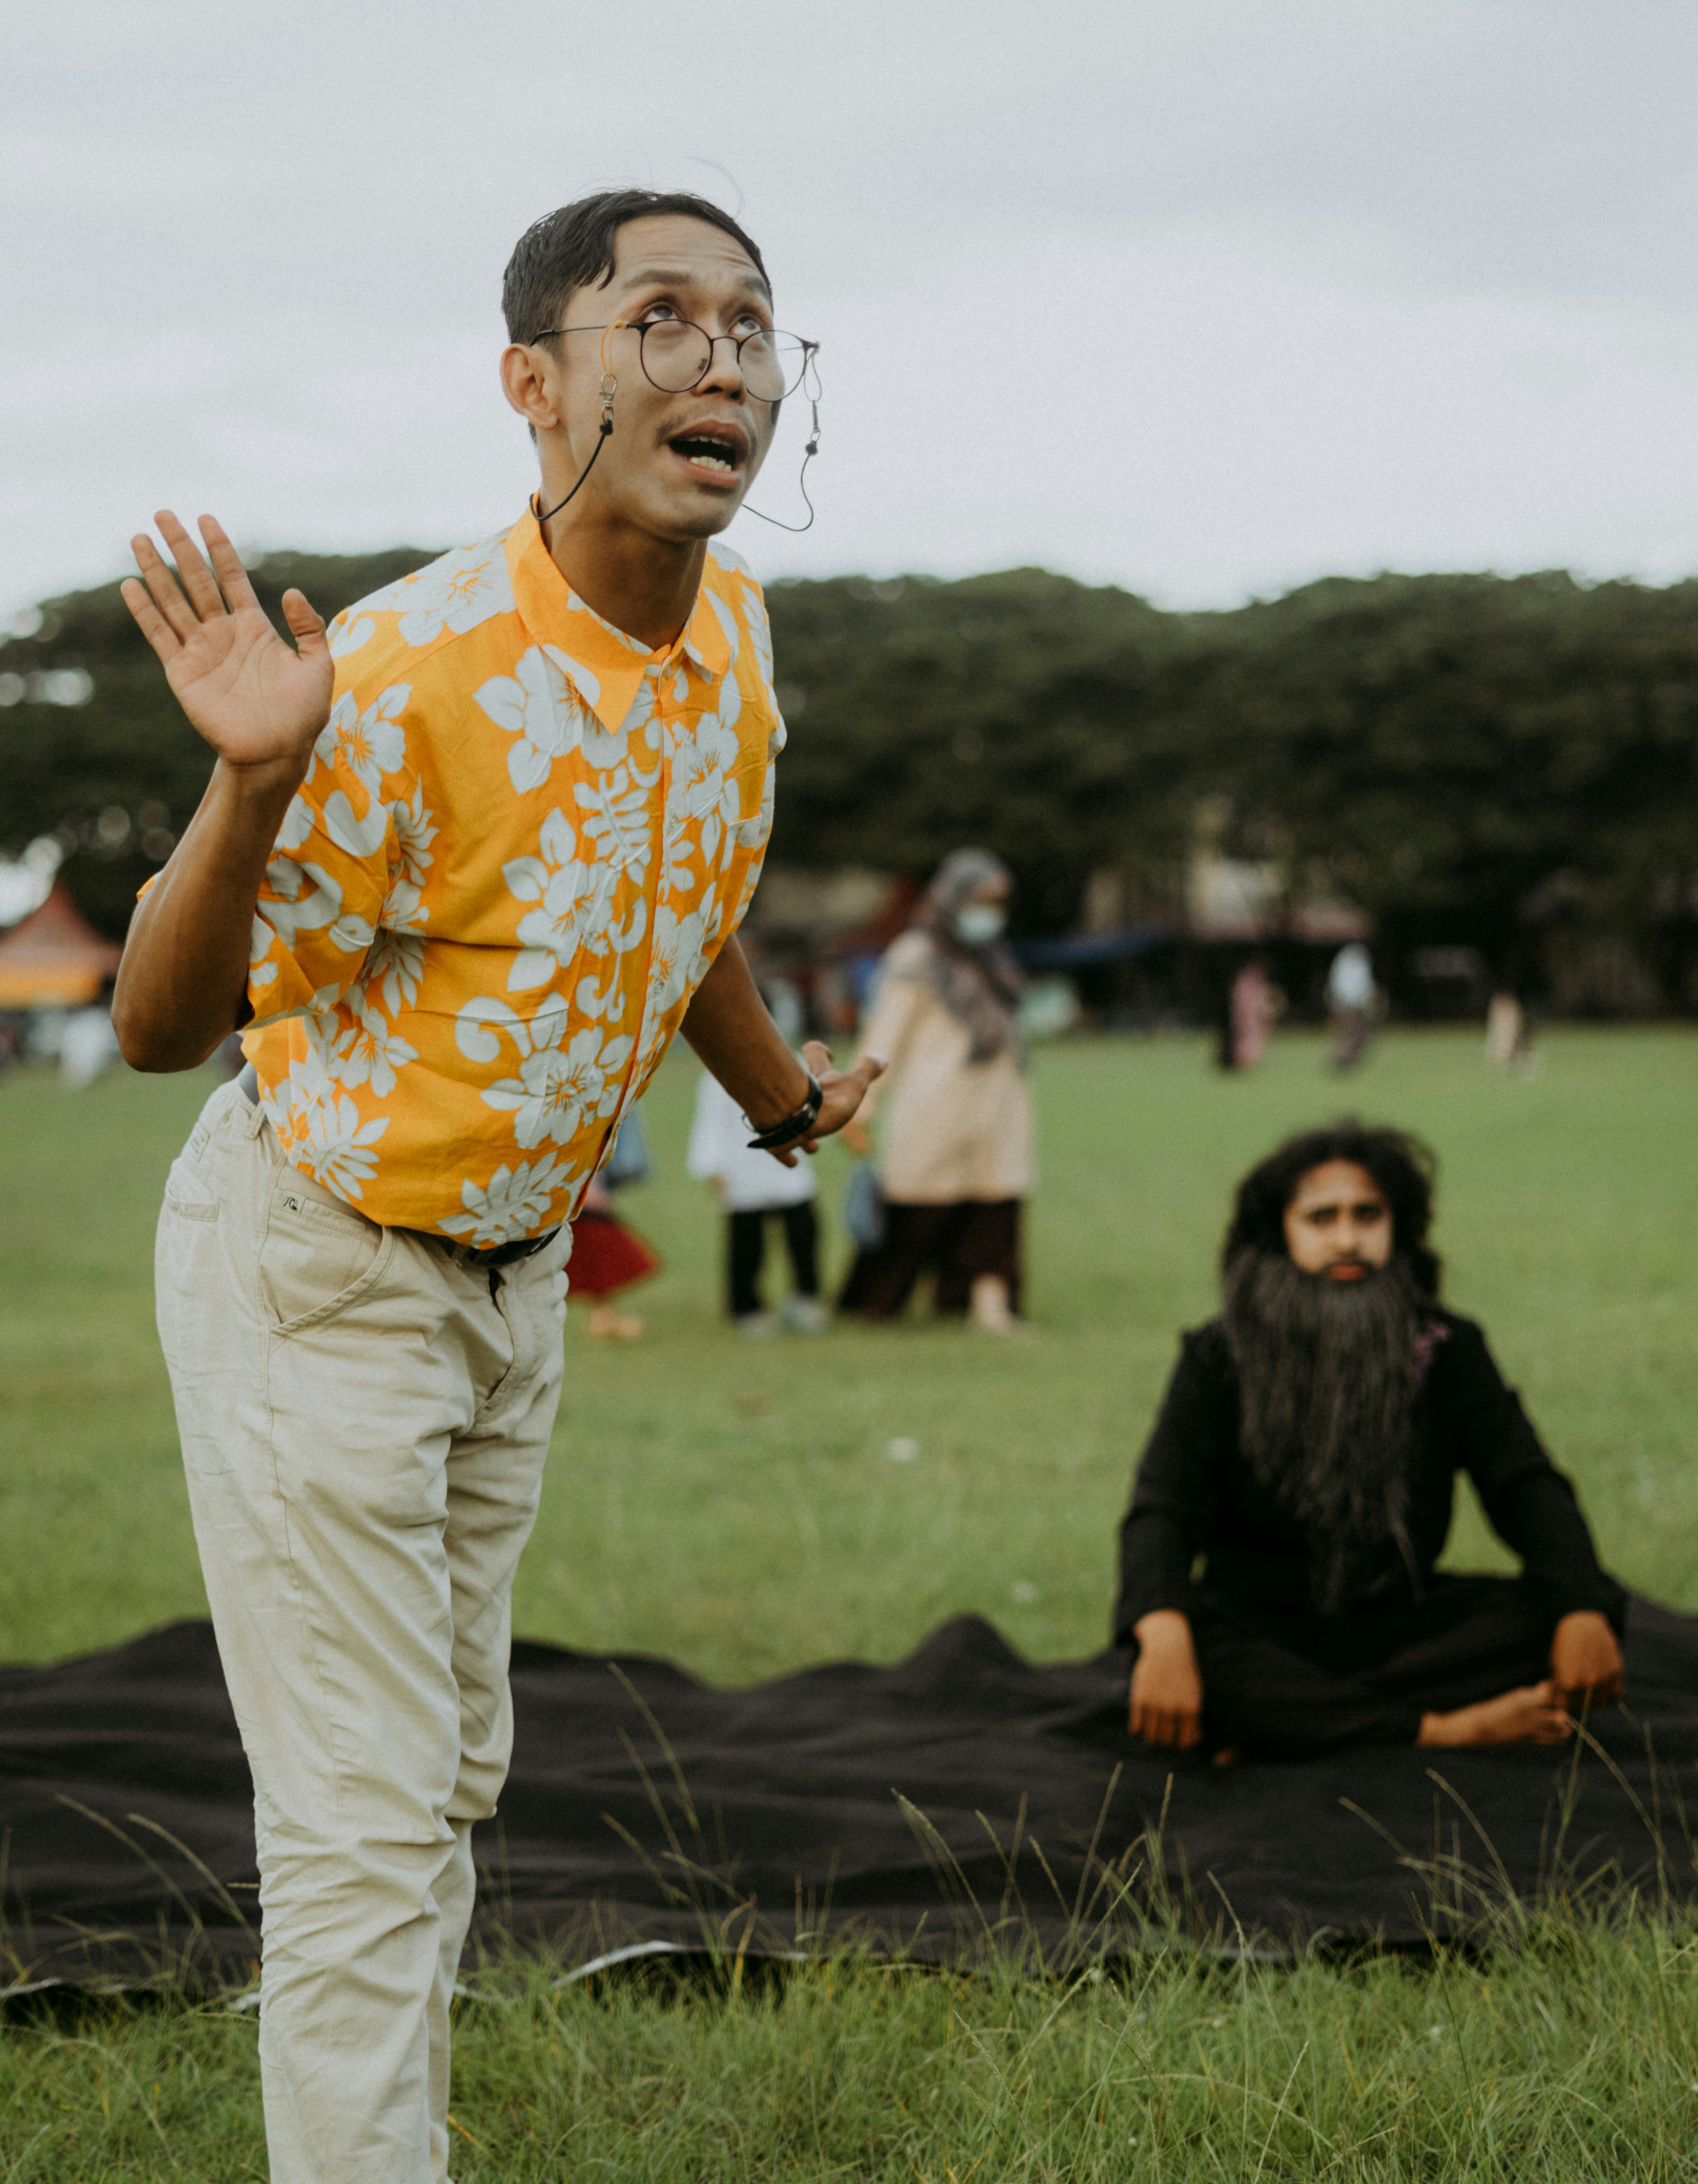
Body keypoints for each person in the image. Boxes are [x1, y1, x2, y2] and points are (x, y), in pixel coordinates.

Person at [111, 189, 881, 2184]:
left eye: (752, 323)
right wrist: (251, 780)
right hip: (320, 1260)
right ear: (535, 385)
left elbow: (683, 890)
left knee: (444, 1769)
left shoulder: (731, 633)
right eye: (663, 318)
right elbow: (149, 1018)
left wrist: (781, 1095)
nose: (722, 359)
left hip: (510, 1275)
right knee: (365, 1807)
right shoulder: (397, 674)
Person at [1118, 1122, 1625, 1760]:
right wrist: (1163, 1633)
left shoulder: (1447, 1348)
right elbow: (1161, 1505)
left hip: (1401, 1625)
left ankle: (1297, 1722)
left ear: (1398, 1226)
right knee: (1182, 1642)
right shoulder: (1219, 1355)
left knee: (1551, 1613)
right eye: (1321, 1217)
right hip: (1259, 1627)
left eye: (1367, 1214)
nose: (1348, 1237)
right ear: (1281, 1232)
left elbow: (1524, 1481)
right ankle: (1435, 1727)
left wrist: (1581, 1608)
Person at [837, 848, 1031, 1333]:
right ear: (952, 897)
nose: (988, 913)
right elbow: (885, 1037)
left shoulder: (994, 959)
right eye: (980, 900)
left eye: (997, 902)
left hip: (996, 1104)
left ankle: (988, 1306)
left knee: (995, 1206)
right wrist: (859, 1106)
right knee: (915, 1209)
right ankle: (881, 1304)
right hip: (933, 1104)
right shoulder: (916, 958)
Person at [688, 1064, 826, 1336]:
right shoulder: (719, 1075)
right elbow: (710, 1122)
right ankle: (747, 1307)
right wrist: (714, 1168)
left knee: (804, 1236)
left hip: (789, 1169)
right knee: (747, 1245)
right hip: (742, 1169)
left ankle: (805, 1298)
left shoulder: (791, 1062)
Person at [1326, 941, 1377, 1071]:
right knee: (1350, 1031)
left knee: (1354, 1031)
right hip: (1350, 1003)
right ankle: (1343, 1057)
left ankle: (1346, 1056)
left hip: (1352, 1003)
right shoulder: (1350, 963)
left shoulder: (1350, 963)